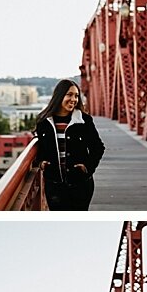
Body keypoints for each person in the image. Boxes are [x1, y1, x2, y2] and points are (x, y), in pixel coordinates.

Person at [33, 79, 105, 210]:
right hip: (54, 185)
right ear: (59, 96)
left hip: (81, 184)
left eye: (76, 96)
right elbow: (40, 150)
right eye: (69, 95)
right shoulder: (43, 122)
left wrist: (88, 167)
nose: (74, 99)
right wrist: (41, 163)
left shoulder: (84, 120)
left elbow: (98, 148)